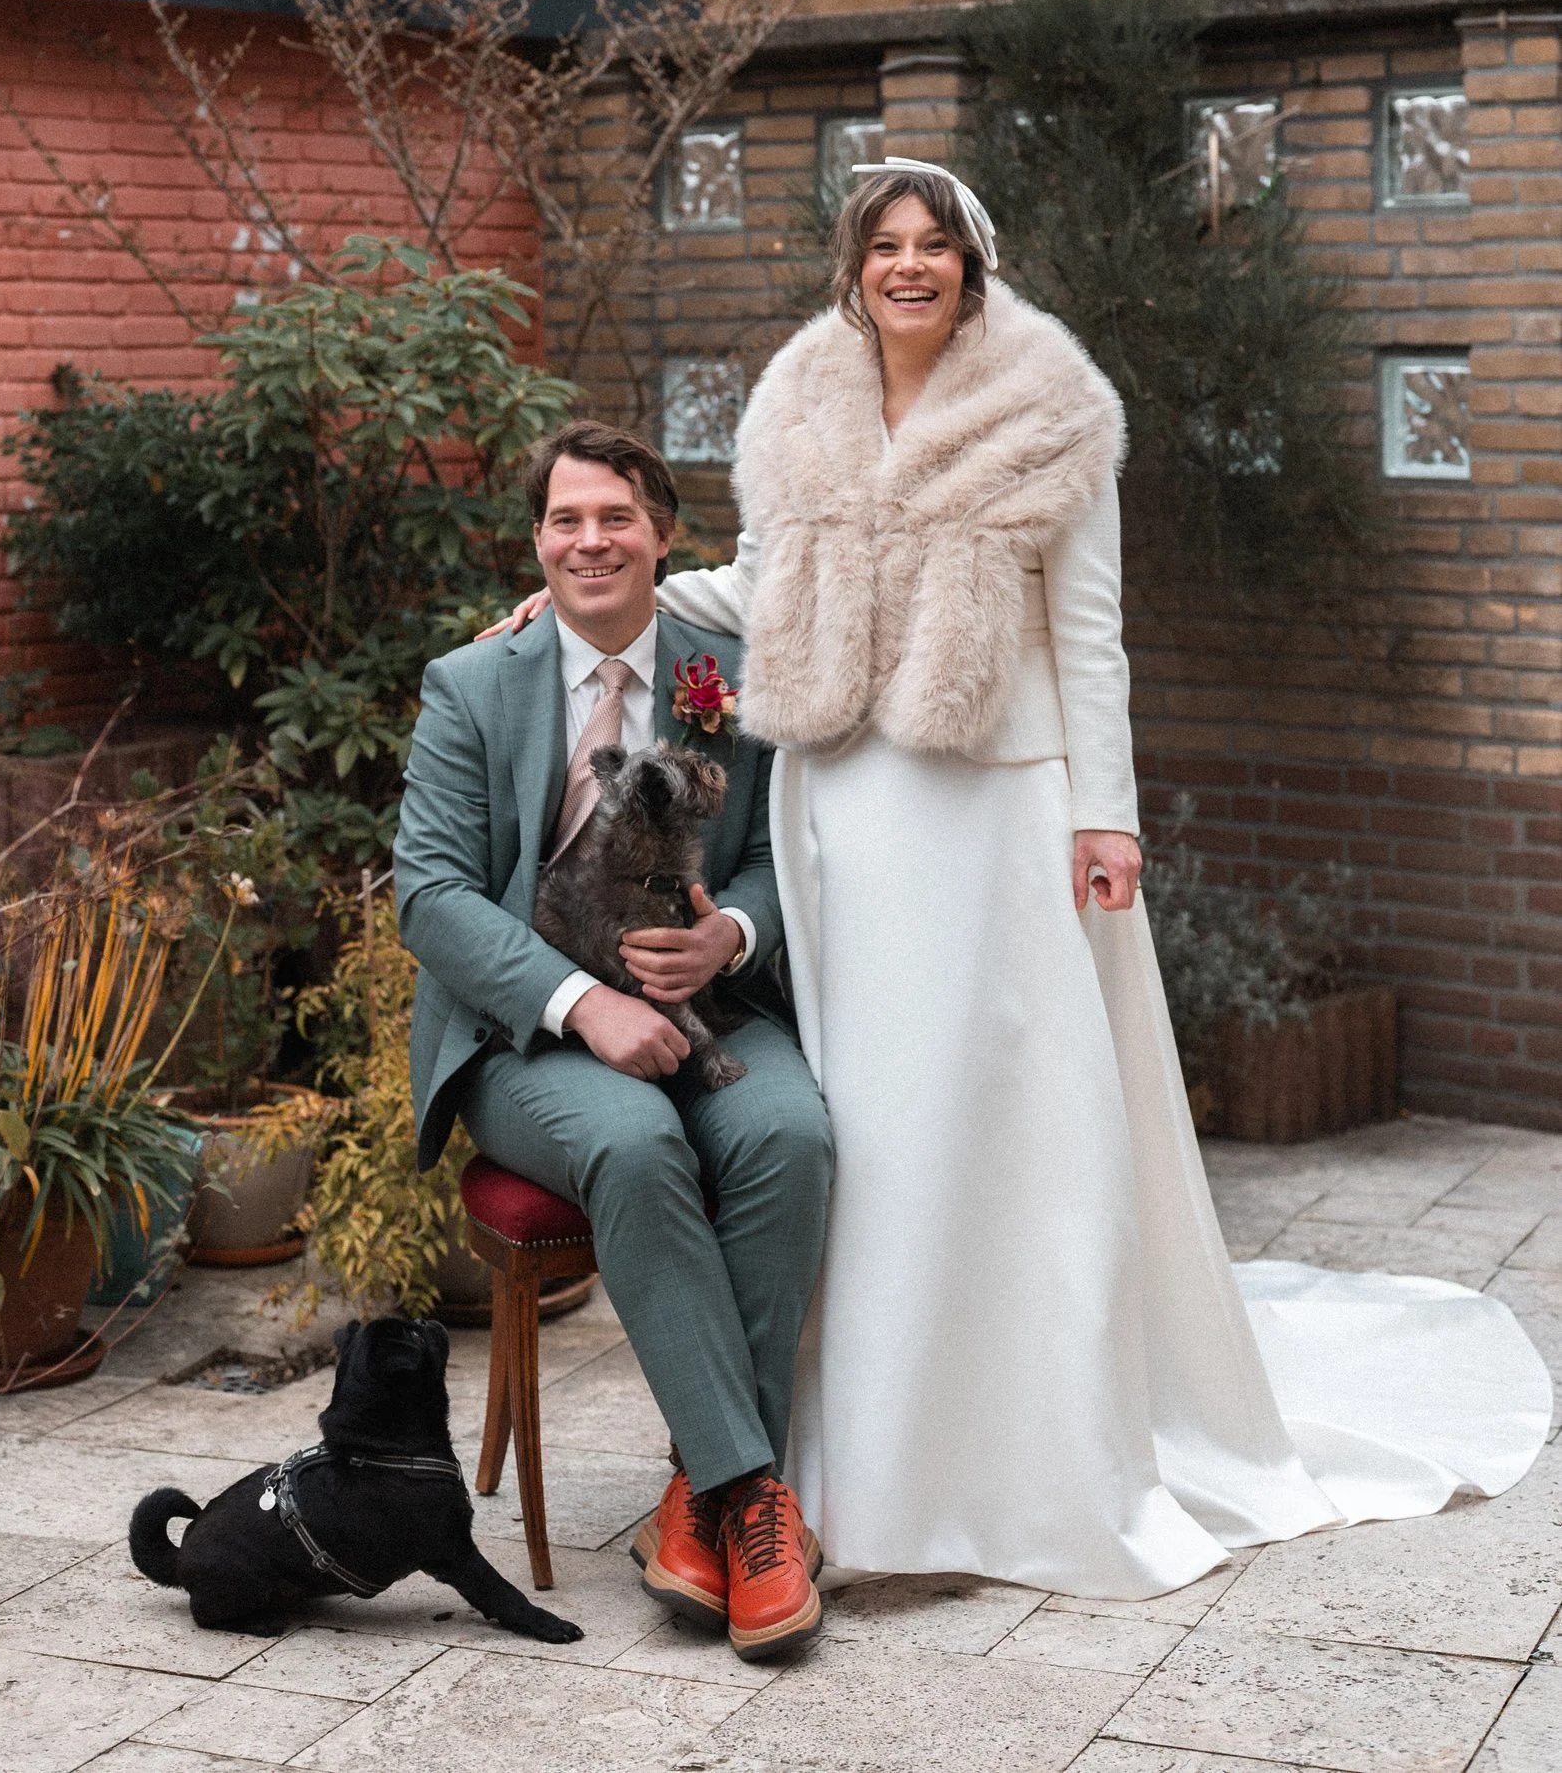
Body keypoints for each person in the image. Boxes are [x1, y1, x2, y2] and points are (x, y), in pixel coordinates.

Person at [493, 162, 1551, 1598]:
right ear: (851, 269)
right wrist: (608, 592)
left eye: (934, 245)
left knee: (990, 1113)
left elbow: (1093, 628)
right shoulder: (802, 399)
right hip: (842, 809)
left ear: (971, 266)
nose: (908, 266)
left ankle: (1017, 1444)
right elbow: (773, 578)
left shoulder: (1050, 410)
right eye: (884, 246)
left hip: (991, 809)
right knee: (869, 1115)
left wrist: (1100, 815)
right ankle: (853, 1445)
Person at [393, 422, 834, 1659]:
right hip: (527, 1039)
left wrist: (729, 939)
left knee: (791, 1133)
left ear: (662, 534)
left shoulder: (733, 671)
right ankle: (753, 1507)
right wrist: (584, 1005)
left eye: (616, 518)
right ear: (537, 541)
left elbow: (778, 852)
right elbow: (426, 892)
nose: (591, 541)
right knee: (637, 1148)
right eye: (565, 521)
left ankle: (697, 1501)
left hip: (712, 1012)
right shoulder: (472, 682)